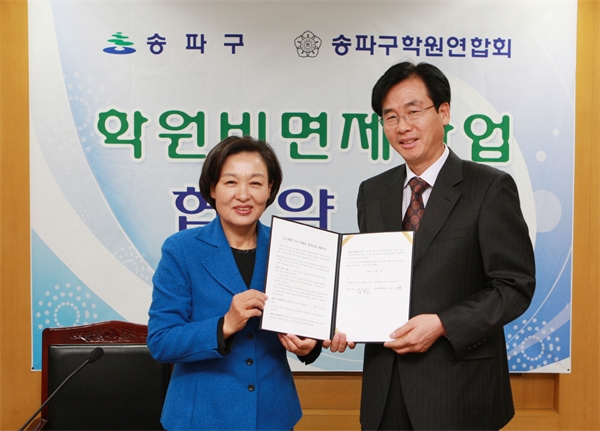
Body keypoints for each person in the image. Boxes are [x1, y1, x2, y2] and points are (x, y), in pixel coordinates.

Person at [325, 61, 536, 430]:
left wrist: (442, 324)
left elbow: (514, 286)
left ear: (444, 112)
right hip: (385, 391)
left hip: (460, 392)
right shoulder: (372, 192)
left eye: (413, 111)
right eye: (390, 117)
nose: (402, 127)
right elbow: (369, 281)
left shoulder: (489, 187)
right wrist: (341, 321)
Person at [147, 136, 321, 431]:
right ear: (212, 188)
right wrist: (225, 324)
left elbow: (306, 323)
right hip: (200, 417)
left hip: (272, 414)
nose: (243, 195)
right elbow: (162, 341)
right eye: (230, 182)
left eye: (255, 183)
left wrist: (309, 346)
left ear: (270, 189)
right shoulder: (181, 250)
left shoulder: (291, 247)